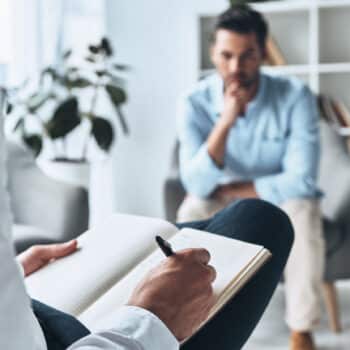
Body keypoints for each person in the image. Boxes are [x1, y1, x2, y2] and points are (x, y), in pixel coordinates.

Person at [0, 101, 293, 349]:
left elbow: (300, 180)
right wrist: (151, 320)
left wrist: (11, 273)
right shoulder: (200, 103)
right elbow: (198, 183)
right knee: (260, 219)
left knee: (193, 235)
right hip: (68, 335)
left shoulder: (290, 102)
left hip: (27, 308)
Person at [176, 5, 324, 350]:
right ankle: (187, 322)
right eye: (226, 56)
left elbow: (302, 181)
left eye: (247, 57)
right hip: (220, 199)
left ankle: (301, 329)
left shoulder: (295, 96)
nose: (235, 68)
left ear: (263, 53)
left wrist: (239, 189)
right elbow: (197, 185)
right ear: (213, 52)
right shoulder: (194, 102)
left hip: (276, 197)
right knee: (192, 209)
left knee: (304, 207)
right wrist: (226, 121)